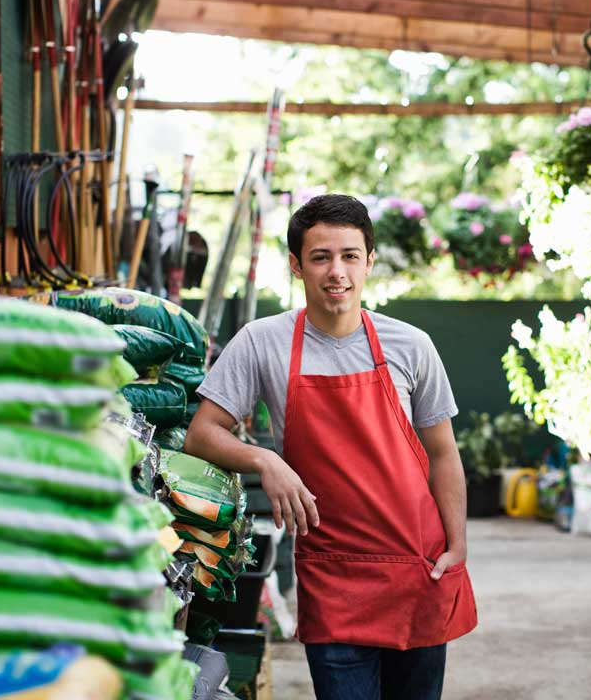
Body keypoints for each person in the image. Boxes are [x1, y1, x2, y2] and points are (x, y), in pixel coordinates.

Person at [185, 194, 477, 700]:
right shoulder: (263, 342)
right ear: (297, 265)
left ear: (369, 261)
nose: (336, 271)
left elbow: (444, 453)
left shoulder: (411, 345)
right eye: (320, 257)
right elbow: (202, 433)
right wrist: (264, 459)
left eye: (349, 256)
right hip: (334, 576)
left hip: (417, 568)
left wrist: (457, 544)